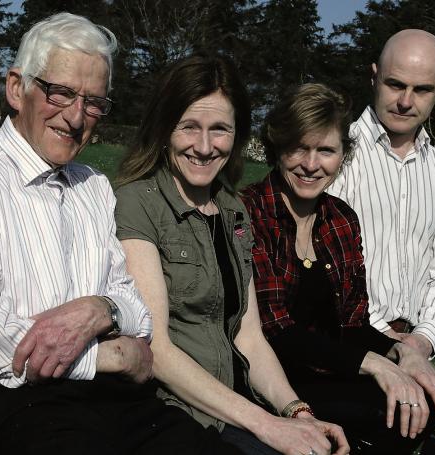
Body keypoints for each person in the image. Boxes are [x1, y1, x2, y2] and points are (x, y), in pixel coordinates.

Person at [0, 13, 240, 455]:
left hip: (116, 401)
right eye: (62, 93)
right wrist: (108, 356)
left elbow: (136, 310)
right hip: (18, 402)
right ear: (17, 88)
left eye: (94, 102)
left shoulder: (93, 185)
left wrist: (100, 307)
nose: (76, 117)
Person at [114, 56, 348, 455]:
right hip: (173, 414)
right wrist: (268, 426)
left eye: (219, 129)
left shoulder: (232, 208)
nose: (204, 148)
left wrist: (296, 413)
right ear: (164, 128)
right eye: (189, 127)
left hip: (234, 406)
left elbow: (249, 335)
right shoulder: (137, 203)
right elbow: (158, 349)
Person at [240, 83, 435, 454]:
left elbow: (352, 324)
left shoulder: (339, 219)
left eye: (325, 150)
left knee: (418, 402)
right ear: (278, 148)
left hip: (328, 370)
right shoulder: (249, 213)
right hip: (270, 378)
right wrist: (377, 366)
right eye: (299, 148)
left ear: (342, 155)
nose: (311, 164)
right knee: (380, 410)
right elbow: (274, 330)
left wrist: (403, 354)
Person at [326, 29, 435, 360]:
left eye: (422, 90)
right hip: (345, 350)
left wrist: (421, 341)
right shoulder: (334, 156)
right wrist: (382, 336)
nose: (406, 101)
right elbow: (320, 267)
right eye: (396, 85)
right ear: (374, 77)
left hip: (415, 354)